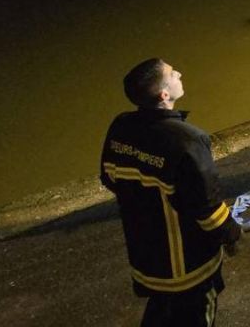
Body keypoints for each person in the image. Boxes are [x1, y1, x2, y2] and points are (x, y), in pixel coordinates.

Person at [100, 58, 241, 327]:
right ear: (164, 95)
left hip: (146, 255)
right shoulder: (188, 140)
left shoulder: (120, 127)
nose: (179, 73)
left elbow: (108, 176)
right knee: (198, 313)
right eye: (172, 73)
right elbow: (208, 208)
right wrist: (232, 233)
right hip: (188, 264)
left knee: (162, 308)